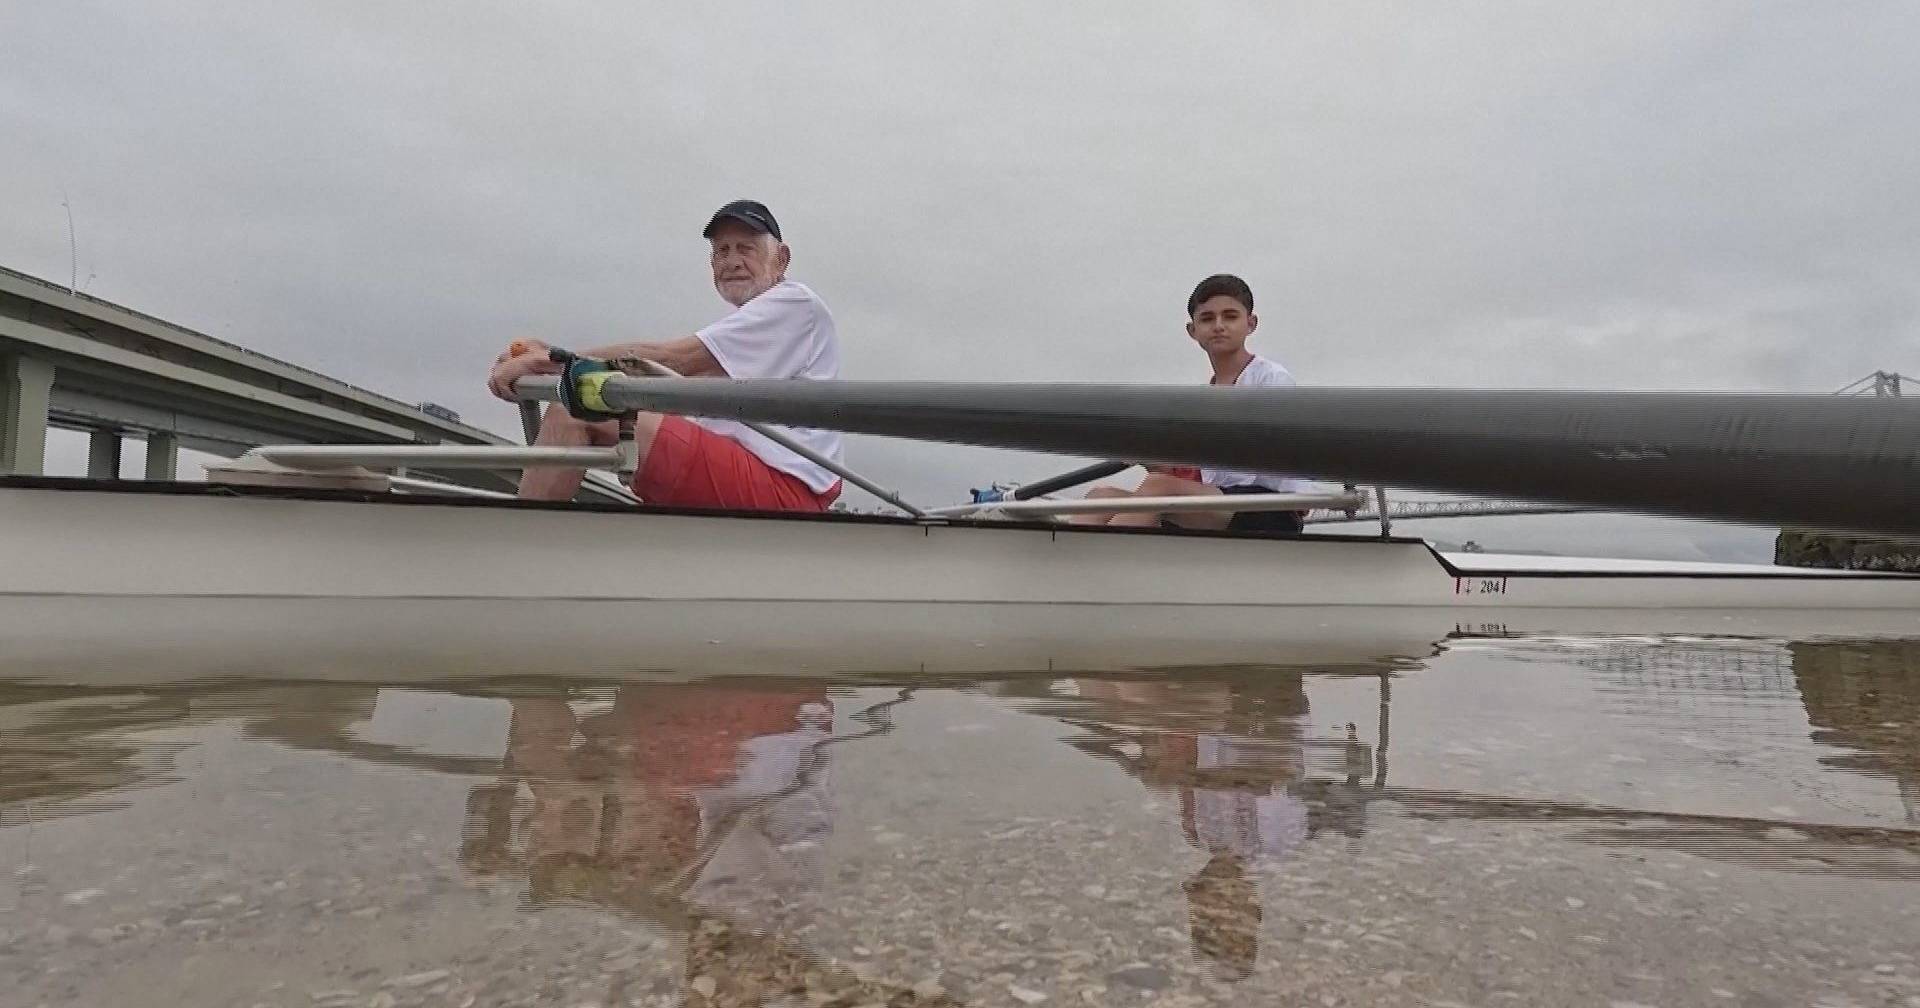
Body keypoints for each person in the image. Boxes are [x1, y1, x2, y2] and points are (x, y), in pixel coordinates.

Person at [487, 200, 843, 512]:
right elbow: (661, 379)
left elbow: (668, 360)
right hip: (758, 476)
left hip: (783, 486)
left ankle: (522, 556)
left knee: (573, 409)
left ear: (781, 259)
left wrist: (546, 360)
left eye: (745, 249)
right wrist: (555, 355)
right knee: (599, 406)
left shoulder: (795, 304)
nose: (731, 261)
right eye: (722, 251)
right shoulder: (751, 330)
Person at [1071, 274, 1306, 532]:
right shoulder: (1208, 395)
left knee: (1159, 487)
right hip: (1223, 500)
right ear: (1192, 331)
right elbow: (1199, 473)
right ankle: (1079, 566)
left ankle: (1112, 564)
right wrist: (1147, 454)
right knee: (1100, 497)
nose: (1218, 325)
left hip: (1271, 507)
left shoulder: (1270, 378)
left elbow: (1274, 451)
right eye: (1207, 318)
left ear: (1251, 323)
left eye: (1230, 316)